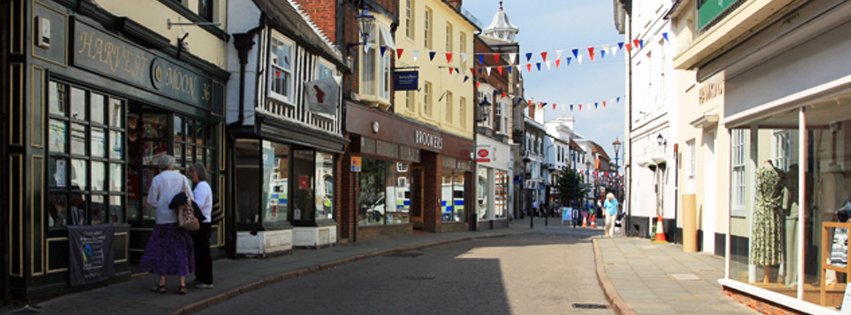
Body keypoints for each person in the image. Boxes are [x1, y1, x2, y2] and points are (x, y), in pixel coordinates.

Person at [140, 155, 195, 295]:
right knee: (180, 250)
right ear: (172, 165)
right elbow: (190, 198)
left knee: (162, 252)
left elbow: (151, 201)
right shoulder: (182, 178)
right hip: (179, 220)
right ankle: (182, 284)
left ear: (161, 166)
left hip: (163, 220)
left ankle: (162, 283)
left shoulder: (157, 179)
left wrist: (161, 205)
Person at [189, 163, 214, 289]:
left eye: (192, 172)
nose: (190, 174)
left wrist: (188, 203)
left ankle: (207, 280)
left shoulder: (202, 187)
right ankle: (200, 278)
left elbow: (197, 205)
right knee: (199, 252)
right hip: (203, 223)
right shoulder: (200, 186)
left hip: (202, 224)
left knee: (203, 252)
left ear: (199, 173)